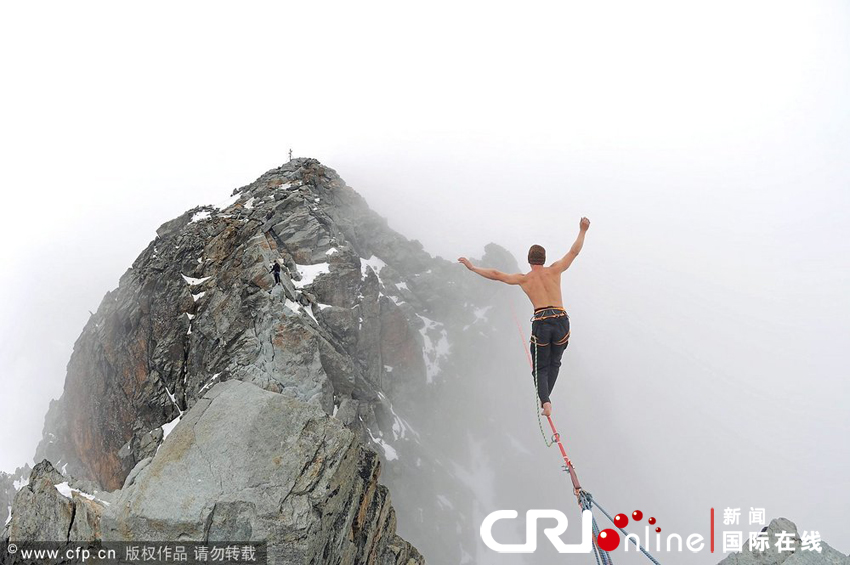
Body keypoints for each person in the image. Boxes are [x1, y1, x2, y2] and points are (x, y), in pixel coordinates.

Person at [458, 217, 590, 416]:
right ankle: (546, 400)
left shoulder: (524, 279)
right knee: (555, 363)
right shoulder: (555, 269)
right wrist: (583, 230)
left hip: (542, 323)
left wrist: (473, 267)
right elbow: (574, 252)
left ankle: (546, 402)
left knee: (540, 368)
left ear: (529, 261)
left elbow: (496, 274)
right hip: (561, 321)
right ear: (544, 259)